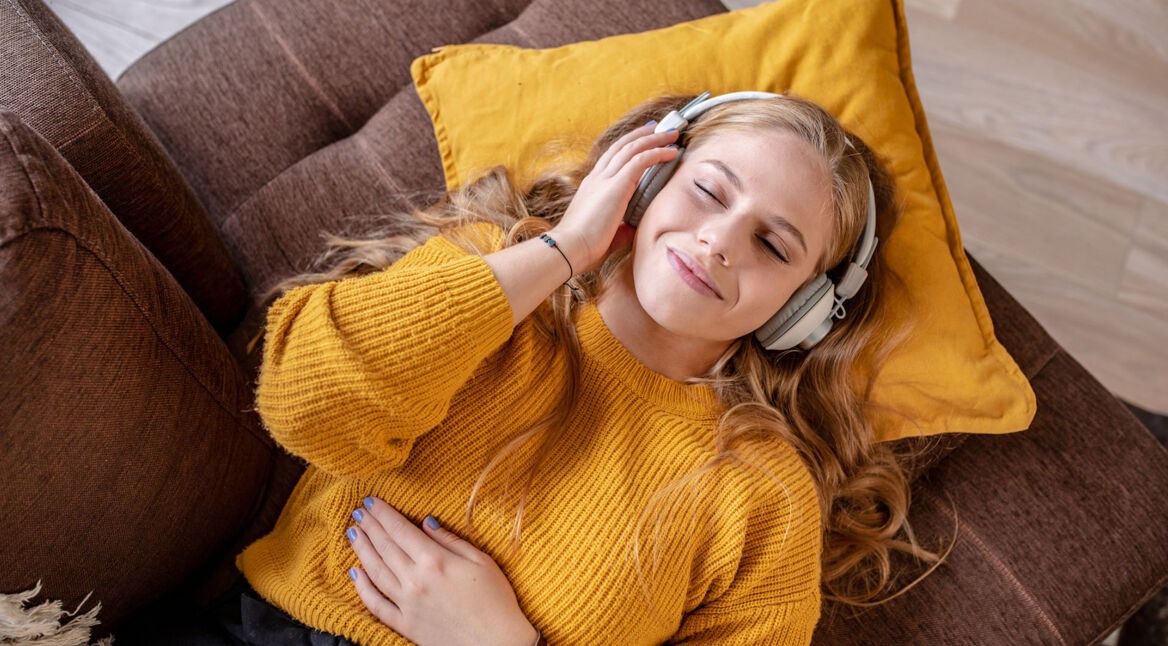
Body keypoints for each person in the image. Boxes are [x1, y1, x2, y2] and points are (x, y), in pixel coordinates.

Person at [215, 91, 946, 645]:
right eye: (708, 191)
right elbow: (302, 406)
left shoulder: (763, 495)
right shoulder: (489, 268)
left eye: (774, 246)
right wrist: (563, 249)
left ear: (804, 312)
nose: (720, 241)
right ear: (647, 179)